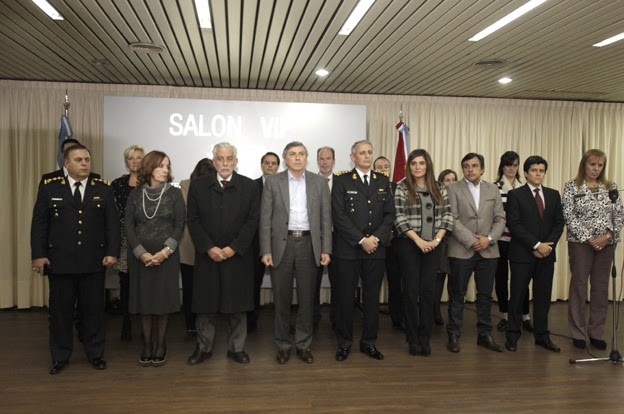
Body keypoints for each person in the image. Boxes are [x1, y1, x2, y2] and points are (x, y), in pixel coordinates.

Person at [31, 144, 120, 375]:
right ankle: (60, 356)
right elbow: (39, 224)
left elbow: (112, 225)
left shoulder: (103, 188)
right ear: (66, 163)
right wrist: (39, 254)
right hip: (60, 262)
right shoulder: (50, 188)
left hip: (94, 262)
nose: (84, 164)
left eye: (87, 159)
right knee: (60, 314)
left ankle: (95, 353)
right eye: (78, 160)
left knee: (94, 312)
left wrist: (112, 252)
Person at [186, 143, 259, 365]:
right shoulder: (198, 186)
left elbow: (252, 221)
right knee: (205, 304)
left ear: (236, 161)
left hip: (237, 255)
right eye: (220, 158)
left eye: (229, 158)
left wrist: (233, 247)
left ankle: (237, 348)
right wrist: (209, 247)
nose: (225, 163)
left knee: (238, 304)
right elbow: (193, 220)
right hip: (208, 254)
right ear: (214, 161)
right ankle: (204, 348)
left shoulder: (249, 186)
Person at [259, 141, 332, 364]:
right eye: (292, 154)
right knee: (281, 300)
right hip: (282, 245)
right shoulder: (273, 182)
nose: (297, 158)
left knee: (307, 300)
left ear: (306, 158)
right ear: (285, 159)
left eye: (301, 154)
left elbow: (326, 218)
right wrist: (266, 250)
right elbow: (265, 219)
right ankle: (283, 345)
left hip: (309, 245)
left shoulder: (319, 182)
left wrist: (326, 249)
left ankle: (303, 344)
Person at [332, 140, 395, 361]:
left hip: (375, 250)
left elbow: (390, 214)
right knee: (345, 299)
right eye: (362, 153)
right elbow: (338, 215)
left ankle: (369, 342)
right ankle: (344, 343)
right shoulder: (341, 180)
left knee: (371, 299)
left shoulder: (383, 181)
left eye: (369, 152)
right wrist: (361, 240)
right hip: (348, 250)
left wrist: (375, 238)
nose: (367, 156)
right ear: (353, 157)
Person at [125, 151, 185, 367]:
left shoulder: (174, 193)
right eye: (161, 166)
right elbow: (128, 226)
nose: (165, 170)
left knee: (162, 301)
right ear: (150, 168)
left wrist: (165, 252)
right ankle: (147, 344)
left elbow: (179, 225)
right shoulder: (135, 194)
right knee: (145, 302)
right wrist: (141, 253)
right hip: (140, 255)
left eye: (167, 166)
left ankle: (161, 344)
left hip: (166, 256)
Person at [563, 149, 623, 350]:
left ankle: (596, 333)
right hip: (581, 243)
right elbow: (569, 216)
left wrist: (607, 236)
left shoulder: (610, 186)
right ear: (584, 165)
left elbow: (619, 214)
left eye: (600, 165)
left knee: (600, 288)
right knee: (579, 286)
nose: (596, 169)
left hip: (607, 244)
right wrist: (590, 238)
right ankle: (578, 333)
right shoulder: (572, 186)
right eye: (592, 164)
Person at [394, 149, 453, 356]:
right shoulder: (402, 187)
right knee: (411, 293)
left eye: (421, 163)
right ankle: (412, 339)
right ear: (409, 167)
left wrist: (436, 241)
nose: (417, 167)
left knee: (428, 293)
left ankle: (425, 338)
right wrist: (418, 240)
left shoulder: (439, 187)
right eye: (413, 164)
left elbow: (447, 215)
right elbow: (399, 217)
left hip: (433, 247)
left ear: (427, 165)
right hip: (409, 245)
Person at [504, 156, 565, 353]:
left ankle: (542, 336)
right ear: (526, 173)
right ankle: (513, 335)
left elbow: (559, 223)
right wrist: (536, 245)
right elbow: (514, 224)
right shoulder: (515, 195)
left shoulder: (553, 195)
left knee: (543, 298)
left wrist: (547, 246)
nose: (538, 174)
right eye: (534, 170)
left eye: (541, 170)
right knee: (517, 296)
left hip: (547, 255)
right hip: (522, 254)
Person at [446, 153, 505, 353]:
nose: (470, 169)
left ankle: (485, 335)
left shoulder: (493, 189)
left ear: (482, 169)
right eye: (466, 166)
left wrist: (488, 239)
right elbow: (452, 219)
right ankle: (454, 334)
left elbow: (500, 219)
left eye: (474, 165)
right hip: (461, 249)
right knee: (457, 295)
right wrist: (472, 241)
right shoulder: (453, 188)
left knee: (485, 296)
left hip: (489, 250)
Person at [493, 151, 532, 333]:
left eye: (515, 165)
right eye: (508, 165)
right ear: (502, 166)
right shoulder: (494, 188)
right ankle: (505, 316)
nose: (511, 168)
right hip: (501, 239)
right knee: (501, 278)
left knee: (522, 278)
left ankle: (525, 316)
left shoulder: (525, 188)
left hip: (519, 240)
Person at [111, 144, 144, 341]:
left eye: (139, 157)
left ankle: (145, 326)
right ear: (126, 162)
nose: (135, 161)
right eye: (131, 158)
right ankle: (126, 323)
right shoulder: (117, 184)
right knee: (126, 283)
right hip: (124, 240)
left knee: (145, 284)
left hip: (147, 238)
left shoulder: (151, 183)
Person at [179, 158, 215, 336]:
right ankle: (191, 324)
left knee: (205, 289)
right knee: (189, 288)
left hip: (211, 246)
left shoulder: (217, 185)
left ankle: (203, 325)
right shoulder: (184, 186)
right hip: (188, 245)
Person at [248, 151, 281, 333]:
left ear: (278, 166)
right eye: (267, 163)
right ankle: (251, 321)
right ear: (262, 165)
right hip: (255, 244)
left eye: (273, 163)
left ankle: (282, 324)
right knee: (253, 283)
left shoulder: (285, 186)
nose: (270, 166)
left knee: (281, 285)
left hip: (279, 242)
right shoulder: (251, 186)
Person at [374, 155, 404, 330]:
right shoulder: (368, 187)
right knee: (373, 284)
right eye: (379, 167)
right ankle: (371, 320)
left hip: (395, 244)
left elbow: (400, 214)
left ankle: (397, 319)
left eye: (386, 166)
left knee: (396, 283)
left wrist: (393, 232)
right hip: (375, 244)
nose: (383, 169)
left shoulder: (397, 188)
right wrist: (381, 234)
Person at [315, 146, 336, 329]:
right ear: (317, 161)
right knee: (312, 283)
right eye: (322, 158)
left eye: (328, 158)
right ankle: (313, 318)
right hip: (315, 240)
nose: (325, 162)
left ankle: (337, 319)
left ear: (334, 161)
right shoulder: (310, 182)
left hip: (338, 240)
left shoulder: (343, 182)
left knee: (339, 282)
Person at [433, 169, 457, 326]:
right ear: (441, 182)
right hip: (442, 242)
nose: (451, 183)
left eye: (454, 179)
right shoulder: (437, 197)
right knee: (439, 278)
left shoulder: (461, 195)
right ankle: (435, 310)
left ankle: (453, 314)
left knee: (455, 280)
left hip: (458, 242)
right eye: (447, 180)